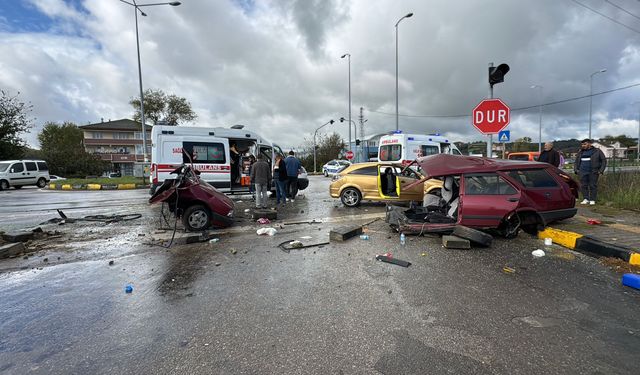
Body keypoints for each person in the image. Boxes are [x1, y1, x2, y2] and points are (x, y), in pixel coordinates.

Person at [574, 138, 607, 205]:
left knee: (592, 185)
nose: (583, 145)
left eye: (585, 144)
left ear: (589, 144)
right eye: (582, 144)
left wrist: (601, 171)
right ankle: (586, 199)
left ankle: (592, 199)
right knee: (583, 186)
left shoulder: (597, 151)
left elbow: (604, 161)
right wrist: (576, 170)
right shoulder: (580, 152)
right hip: (582, 171)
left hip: (593, 171)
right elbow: (576, 161)